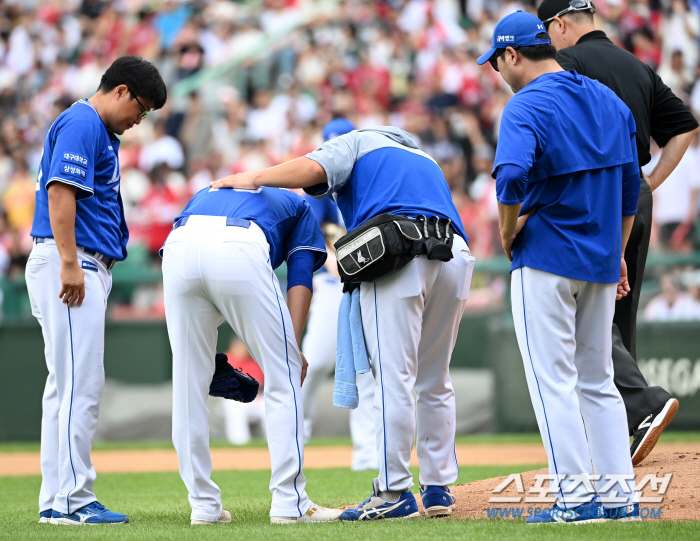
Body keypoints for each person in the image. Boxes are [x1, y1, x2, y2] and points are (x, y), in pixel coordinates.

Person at [210, 124, 476, 519]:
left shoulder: (359, 141)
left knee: (393, 378)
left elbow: (314, 169)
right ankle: (438, 489)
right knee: (435, 379)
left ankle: (392, 493)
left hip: (402, 251)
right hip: (455, 253)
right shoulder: (424, 157)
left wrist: (253, 176)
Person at [478, 10, 640, 523]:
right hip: (598, 259)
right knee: (598, 381)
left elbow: (509, 177)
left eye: (496, 60)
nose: (497, 70)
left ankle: (574, 498)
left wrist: (506, 231)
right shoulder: (607, 99)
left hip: (546, 257)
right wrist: (618, 252)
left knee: (554, 382)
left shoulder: (524, 104)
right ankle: (621, 498)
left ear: (511, 54)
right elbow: (632, 187)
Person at [538, 0, 699, 467]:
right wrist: (649, 181)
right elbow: (685, 127)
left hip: (597, 196)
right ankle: (626, 421)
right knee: (617, 310)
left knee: (581, 307)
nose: (547, 42)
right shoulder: (637, 64)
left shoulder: (566, 62)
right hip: (637, 194)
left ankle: (641, 403)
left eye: (548, 31)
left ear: (561, 24)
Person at [26, 56, 167, 525]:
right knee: (79, 387)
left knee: (66, 387)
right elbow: (59, 192)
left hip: (77, 260)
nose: (138, 120)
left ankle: (58, 499)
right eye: (141, 108)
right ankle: (70, 501)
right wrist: (70, 262)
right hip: (73, 260)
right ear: (122, 90)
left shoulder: (94, 128)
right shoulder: (84, 122)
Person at [161, 185, 342, 525]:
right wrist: (292, 349)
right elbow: (301, 277)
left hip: (178, 245)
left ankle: (203, 506)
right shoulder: (301, 207)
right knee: (283, 374)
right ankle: (291, 503)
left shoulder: (211, 190)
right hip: (238, 244)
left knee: (189, 382)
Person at [300, 118, 377, 472]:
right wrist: (334, 259)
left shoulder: (370, 178)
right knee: (312, 364)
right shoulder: (319, 188)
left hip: (368, 283)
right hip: (333, 287)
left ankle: (368, 455)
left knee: (368, 371)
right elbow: (316, 237)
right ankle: (293, 442)